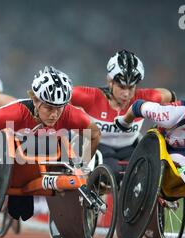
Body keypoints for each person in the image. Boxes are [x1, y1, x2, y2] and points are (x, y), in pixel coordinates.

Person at [0, 66, 100, 221]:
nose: (54, 114)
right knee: (20, 211)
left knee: (63, 144)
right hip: (15, 168)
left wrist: (82, 166)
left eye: (59, 108)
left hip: (47, 163)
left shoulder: (70, 114)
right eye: (49, 108)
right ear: (36, 101)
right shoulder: (17, 112)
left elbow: (95, 134)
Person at [70, 49, 175, 183]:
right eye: (121, 87)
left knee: (144, 172)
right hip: (99, 148)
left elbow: (168, 95)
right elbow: (61, 96)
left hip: (129, 148)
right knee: (112, 170)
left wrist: (169, 117)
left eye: (131, 88)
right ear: (110, 82)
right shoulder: (91, 97)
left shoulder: (144, 97)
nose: (126, 94)